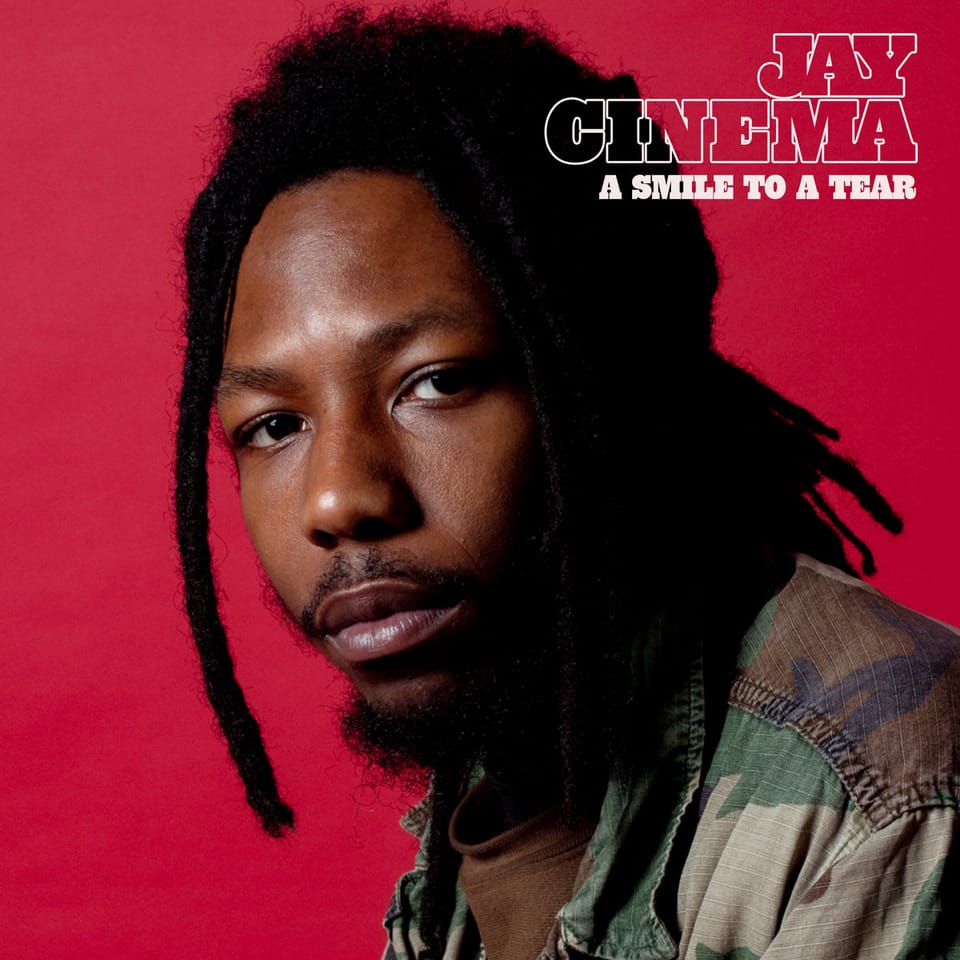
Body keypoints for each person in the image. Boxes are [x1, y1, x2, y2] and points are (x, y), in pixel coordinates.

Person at [174, 8, 959, 959]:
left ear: (608, 382)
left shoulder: (885, 804)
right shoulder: (498, 792)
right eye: (274, 426)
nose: (338, 500)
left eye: (439, 382)